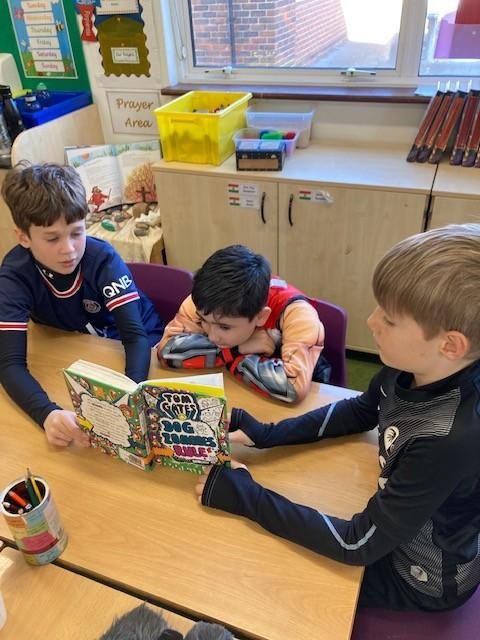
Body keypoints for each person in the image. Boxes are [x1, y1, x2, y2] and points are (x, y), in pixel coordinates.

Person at [195, 224, 480, 612]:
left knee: (258, 573)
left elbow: (355, 544)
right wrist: (267, 434)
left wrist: (246, 496)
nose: (371, 322)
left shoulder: (449, 438)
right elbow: (362, 410)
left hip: (421, 578)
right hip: (392, 527)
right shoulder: (414, 366)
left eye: (390, 320)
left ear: (450, 345)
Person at [0, 162, 164, 447]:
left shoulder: (103, 259)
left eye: (77, 233)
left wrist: (129, 396)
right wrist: (47, 415)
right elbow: (9, 363)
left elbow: (135, 337)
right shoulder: (13, 275)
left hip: (141, 342)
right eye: (52, 238)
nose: (69, 249)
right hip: (80, 349)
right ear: (23, 237)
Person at [157, 244, 327, 403]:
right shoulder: (207, 301)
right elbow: (166, 351)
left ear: (261, 316)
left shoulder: (299, 315)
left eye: (224, 327)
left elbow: (292, 388)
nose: (212, 336)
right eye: (203, 321)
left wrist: (217, 356)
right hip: (236, 392)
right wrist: (235, 350)